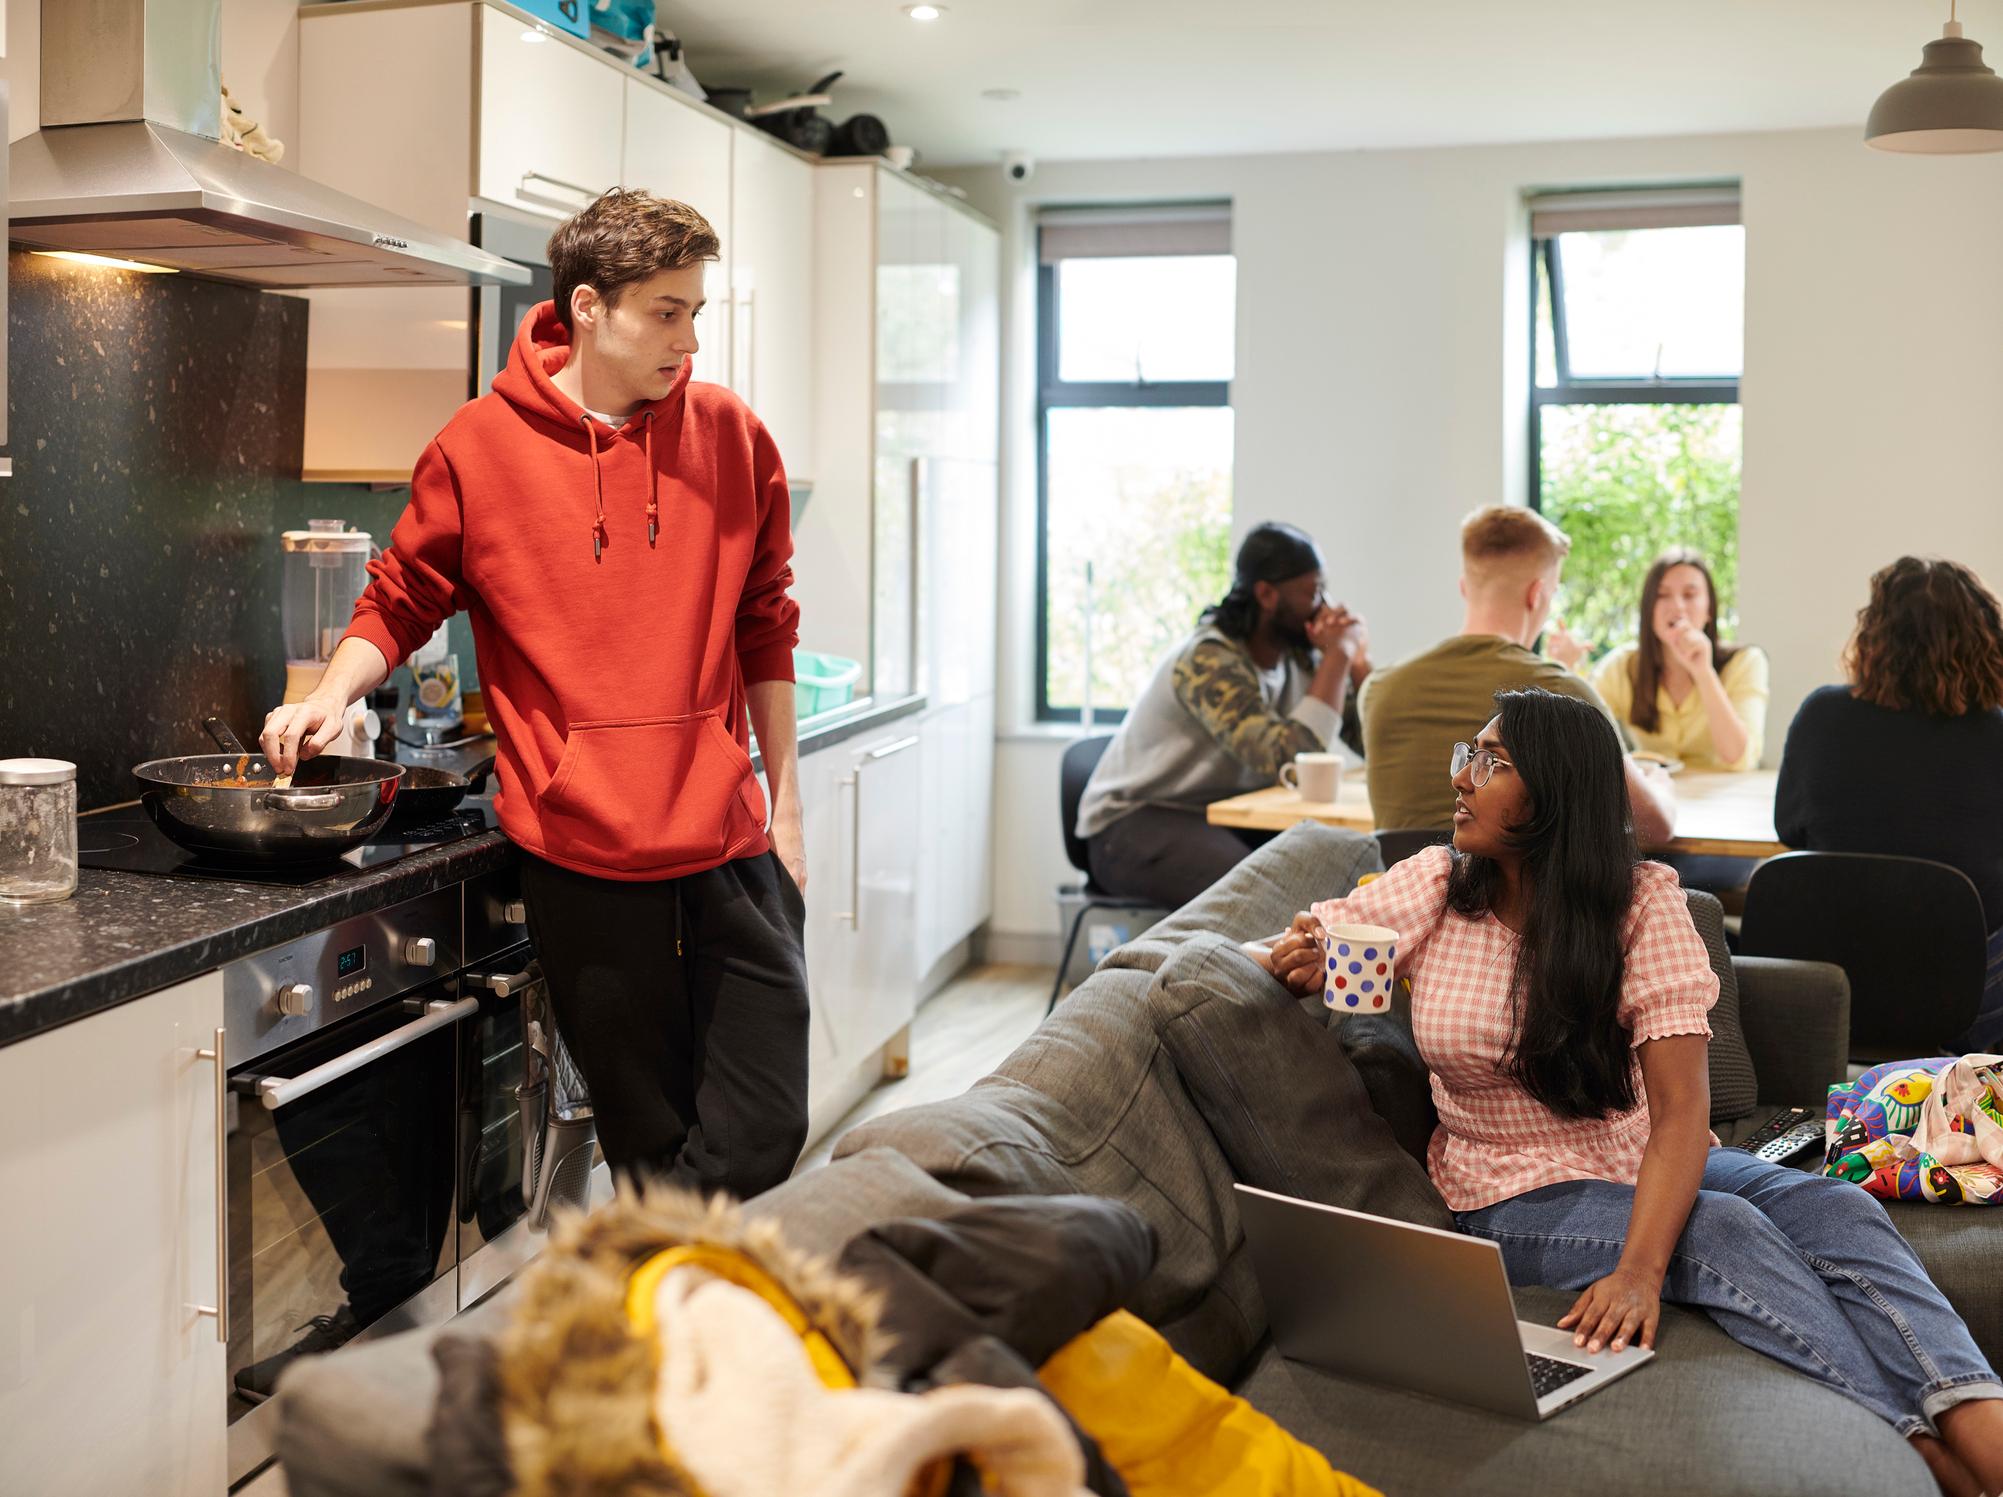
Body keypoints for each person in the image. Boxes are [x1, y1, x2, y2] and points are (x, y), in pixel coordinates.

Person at [1261, 689, 2003, 1495]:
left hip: (1632, 1153)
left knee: (1839, 1208)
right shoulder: (1438, 882)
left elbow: (1682, 1115)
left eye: (1489, 760)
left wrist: (1639, 1271)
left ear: (1556, 788)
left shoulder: (1640, 902)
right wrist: (1293, 953)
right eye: (1463, 756)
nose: (1461, 778)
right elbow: (1297, 941)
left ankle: (1975, 1423)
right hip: (1504, 1191)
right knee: (1721, 1228)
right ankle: (1919, 1452)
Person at [260, 189, 811, 1199]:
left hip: (729, 846)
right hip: (586, 859)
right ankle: (674, 1341)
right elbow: (403, 596)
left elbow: (765, 619)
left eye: (697, 311)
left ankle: (660, 1314)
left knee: (763, 1133)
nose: (687, 338)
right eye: (666, 310)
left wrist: (789, 810)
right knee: (652, 1154)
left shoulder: (731, 437)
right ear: (588, 308)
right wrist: (332, 694)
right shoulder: (479, 448)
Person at [1076, 522, 1370, 910]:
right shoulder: (1208, 660)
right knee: (1263, 900)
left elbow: (1374, 742)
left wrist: (1359, 666)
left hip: (1220, 819)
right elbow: (1286, 757)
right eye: (1312, 592)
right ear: (1266, 594)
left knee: (1339, 870)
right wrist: (1338, 657)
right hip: (1134, 824)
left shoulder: (1300, 655)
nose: (1327, 607)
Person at [1776, 556, 2003, 1050]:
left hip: (1832, 987)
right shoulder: (1996, 732)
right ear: (1987, 639)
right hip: (1965, 1001)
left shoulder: (1821, 714)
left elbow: (1790, 829)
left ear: (1874, 635)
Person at [1359, 504, 1675, 844]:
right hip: (1511, 897)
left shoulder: (1379, 688)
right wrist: (1660, 785)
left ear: (1465, 587)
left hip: (1406, 892)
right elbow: (1653, 826)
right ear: (1536, 594)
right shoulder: (1562, 692)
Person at [1547, 548, 1769, 771]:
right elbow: (1576, 738)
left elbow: (1738, 758)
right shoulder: (1623, 666)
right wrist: (1566, 668)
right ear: (1648, 609)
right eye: (1662, 595)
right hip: (1656, 798)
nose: (1678, 606)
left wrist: (1703, 672)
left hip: (1731, 799)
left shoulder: (1746, 662)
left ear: (1709, 608)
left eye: (1690, 595)